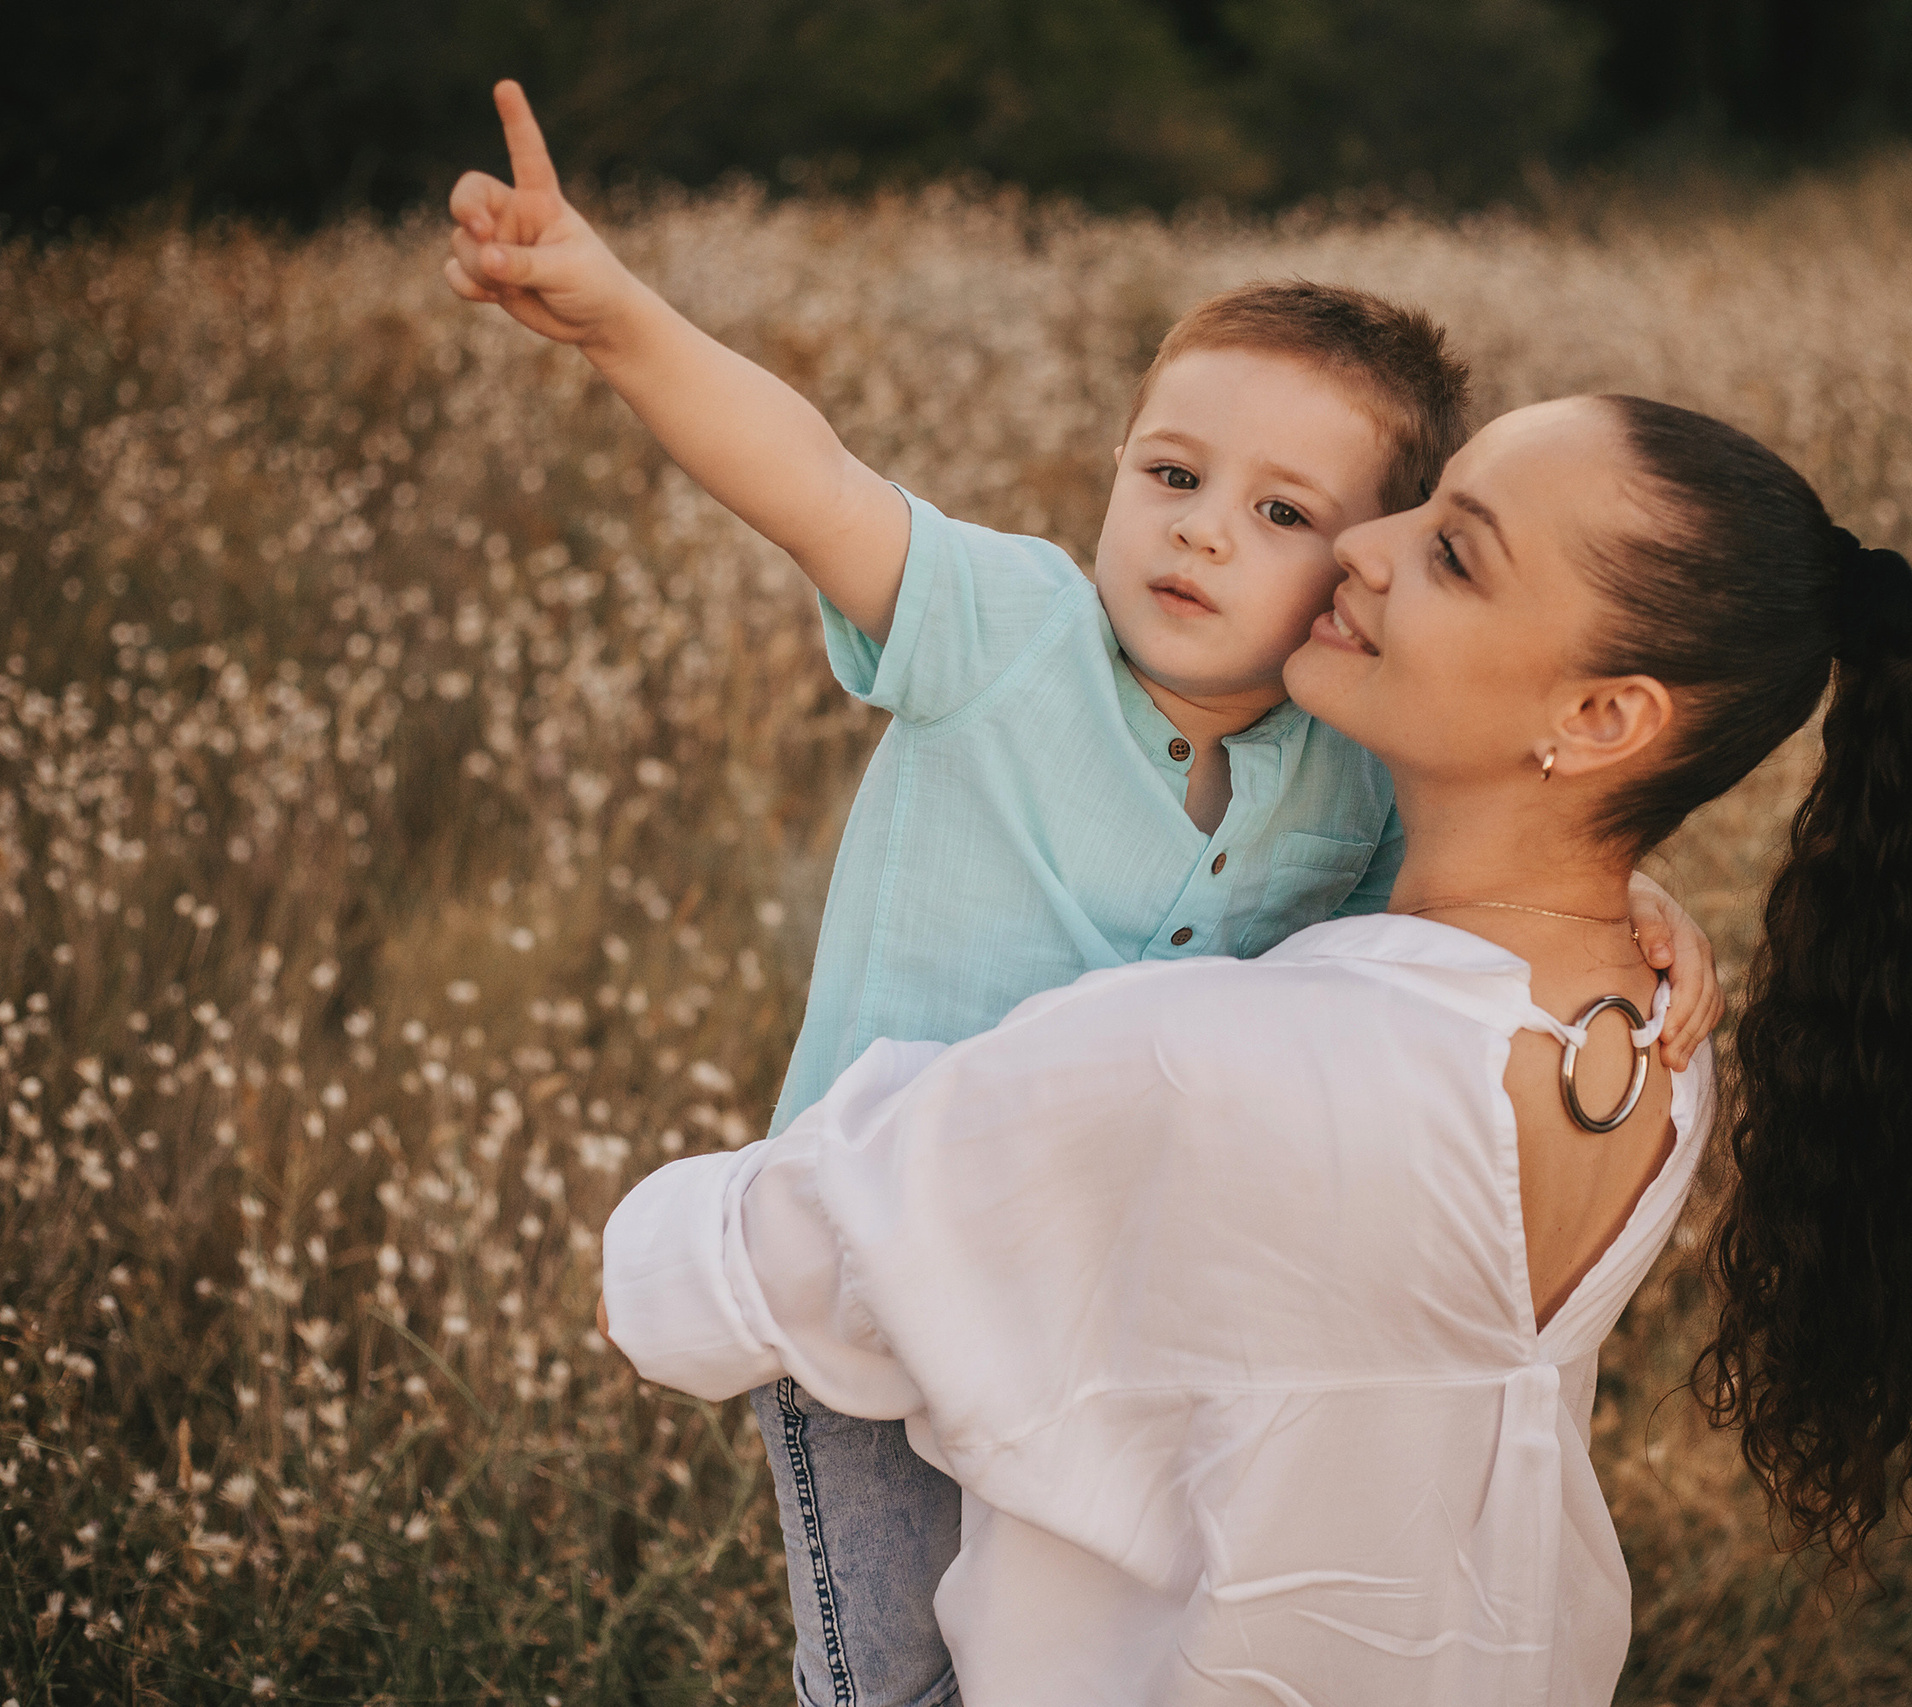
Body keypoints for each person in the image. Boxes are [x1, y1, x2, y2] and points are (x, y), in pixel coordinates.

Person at [440, 83, 1723, 1707]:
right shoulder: (1009, 630)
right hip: (867, 1255)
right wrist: (615, 315)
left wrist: (1655, 905)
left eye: (1279, 515)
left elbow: (1519, 862)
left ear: (1358, 569)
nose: (1197, 533)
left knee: (1067, 1620)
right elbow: (811, 477)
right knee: (893, 1669)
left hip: (1112, 1282)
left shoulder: (1350, 762)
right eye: (1169, 473)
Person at [601, 392, 1912, 1704]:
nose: (1364, 545)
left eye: (1454, 554)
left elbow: (713, 1280)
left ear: (1599, 720)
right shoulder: (1651, 1037)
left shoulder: (1215, 1061)